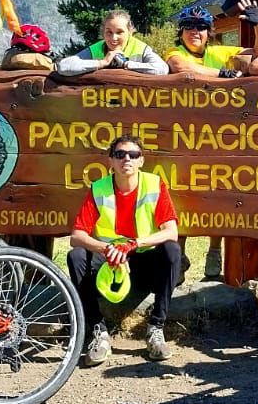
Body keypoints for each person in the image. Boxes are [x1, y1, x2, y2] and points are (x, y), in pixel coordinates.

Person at [166, 0, 258, 278]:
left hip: (220, 138)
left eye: (201, 27)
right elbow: (182, 70)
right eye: (189, 27)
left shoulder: (220, 52)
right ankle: (180, 256)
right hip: (184, 138)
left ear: (209, 32)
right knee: (181, 196)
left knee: (218, 196)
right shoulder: (175, 52)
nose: (195, 32)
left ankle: (214, 252)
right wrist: (222, 75)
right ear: (181, 32)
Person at [67, 134, 180, 366]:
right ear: (111, 160)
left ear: (141, 160)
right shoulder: (99, 189)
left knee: (172, 251)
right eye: (119, 154)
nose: (126, 159)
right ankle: (99, 331)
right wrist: (107, 249)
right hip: (110, 263)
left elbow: (171, 232)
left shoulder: (154, 184)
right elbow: (76, 236)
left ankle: (156, 328)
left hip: (142, 259)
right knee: (76, 256)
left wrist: (134, 244)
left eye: (133, 155)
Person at [58, 8, 168, 76]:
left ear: (130, 32)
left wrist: (127, 64)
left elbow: (162, 69)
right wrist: (102, 63)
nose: (113, 38)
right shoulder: (96, 49)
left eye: (119, 32)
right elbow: (63, 66)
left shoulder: (140, 48)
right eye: (109, 32)